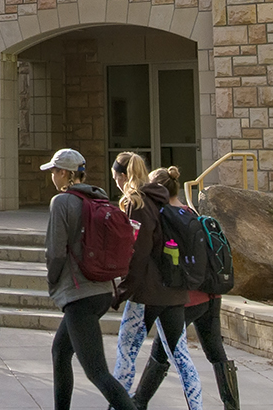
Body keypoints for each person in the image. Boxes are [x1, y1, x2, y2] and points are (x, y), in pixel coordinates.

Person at [41, 148, 135, 410]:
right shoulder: (100, 198)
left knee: (97, 372)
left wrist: (52, 281)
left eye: (53, 172)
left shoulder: (61, 203)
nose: (52, 177)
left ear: (63, 173)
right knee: (60, 353)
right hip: (102, 290)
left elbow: (55, 252)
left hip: (79, 294)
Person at [117, 161, 193, 410]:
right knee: (181, 358)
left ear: (122, 175)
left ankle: (119, 406)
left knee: (126, 354)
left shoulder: (137, 203)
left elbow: (138, 254)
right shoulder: (168, 206)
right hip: (173, 290)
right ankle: (197, 405)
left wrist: (123, 291)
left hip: (146, 293)